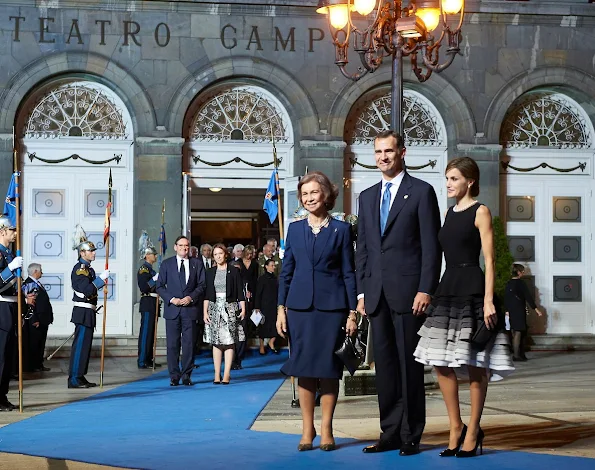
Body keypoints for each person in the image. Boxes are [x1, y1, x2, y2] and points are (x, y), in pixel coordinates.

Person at [414, 157, 514, 458]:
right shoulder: (449, 212)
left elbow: (490, 259)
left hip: (472, 287)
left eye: (454, 178)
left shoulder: (480, 210)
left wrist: (487, 300)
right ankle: (455, 426)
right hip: (448, 288)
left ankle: (473, 430)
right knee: (440, 361)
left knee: (474, 363)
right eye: (446, 178)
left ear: (470, 181)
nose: (448, 184)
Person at [355, 130, 442, 455]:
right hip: (376, 296)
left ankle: (410, 435)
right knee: (386, 369)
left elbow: (431, 248)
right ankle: (389, 432)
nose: (383, 157)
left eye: (388, 151)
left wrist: (425, 289)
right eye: (378, 152)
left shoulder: (421, 192)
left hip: (409, 295)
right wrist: (362, 293)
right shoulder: (366, 196)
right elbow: (362, 250)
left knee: (409, 367)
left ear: (401, 152)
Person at [277, 171, 357, 452]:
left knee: (328, 370)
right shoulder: (295, 229)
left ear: (326, 195)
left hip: (332, 309)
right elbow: (286, 273)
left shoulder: (342, 230)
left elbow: (349, 273)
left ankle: (326, 429)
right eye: (305, 194)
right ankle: (306, 428)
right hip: (299, 309)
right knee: (304, 370)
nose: (309, 198)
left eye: (314, 192)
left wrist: (352, 313)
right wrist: (280, 309)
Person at [156, 236, 206, 386]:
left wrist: (191, 297)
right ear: (175, 247)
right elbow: (159, 286)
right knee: (172, 344)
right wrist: (171, 299)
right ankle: (174, 375)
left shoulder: (197, 264)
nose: (184, 248)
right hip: (173, 310)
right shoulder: (167, 264)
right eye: (181, 245)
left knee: (189, 344)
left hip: (190, 310)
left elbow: (202, 285)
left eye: (187, 246)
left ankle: (186, 375)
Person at [68, 225, 110, 389]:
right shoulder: (80, 269)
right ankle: (74, 378)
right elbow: (86, 289)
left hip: (88, 311)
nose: (94, 253)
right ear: (82, 253)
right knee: (80, 346)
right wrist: (100, 280)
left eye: (93, 250)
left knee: (85, 346)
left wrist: (100, 283)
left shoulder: (88, 269)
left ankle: (80, 375)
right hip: (83, 311)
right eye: (90, 251)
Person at [203, 244, 246, 384]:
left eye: (220, 253)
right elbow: (207, 294)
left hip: (230, 308)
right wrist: (205, 312)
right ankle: (217, 374)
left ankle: (227, 374)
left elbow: (240, 292)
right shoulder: (210, 272)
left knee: (229, 341)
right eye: (215, 254)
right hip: (214, 308)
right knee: (216, 342)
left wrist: (243, 308)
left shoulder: (233, 271)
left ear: (225, 254)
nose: (218, 256)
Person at [0, 216, 26, 410]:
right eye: (12, 230)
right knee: (0, 355)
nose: (15, 234)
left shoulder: (8, 254)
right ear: (2, 232)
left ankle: (3, 395)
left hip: (12, 306)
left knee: (8, 356)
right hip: (1, 307)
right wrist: (10, 269)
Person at [505, 263, 543, 361]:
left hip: (512, 310)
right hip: (518, 309)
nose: (523, 273)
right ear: (518, 272)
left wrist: (507, 310)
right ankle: (517, 355)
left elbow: (506, 298)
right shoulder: (521, 283)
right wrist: (536, 309)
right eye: (522, 271)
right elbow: (528, 297)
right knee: (519, 332)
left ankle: (520, 354)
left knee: (516, 331)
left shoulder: (509, 283)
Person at [136, 231, 161, 369]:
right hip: (147, 302)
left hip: (154, 303)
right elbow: (145, 287)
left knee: (151, 333)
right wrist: (154, 280)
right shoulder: (144, 270)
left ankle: (148, 358)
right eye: (153, 254)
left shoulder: (151, 270)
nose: (156, 256)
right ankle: (142, 360)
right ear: (147, 256)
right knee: (146, 333)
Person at [23, 263, 53, 373]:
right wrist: (34, 319)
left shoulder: (36, 283)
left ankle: (38, 364)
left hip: (43, 319)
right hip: (36, 319)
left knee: (40, 343)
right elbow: (30, 304)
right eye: (40, 270)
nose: (42, 272)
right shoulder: (29, 284)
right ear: (35, 271)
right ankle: (32, 365)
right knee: (34, 343)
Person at [233, 244, 258, 369]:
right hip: (232, 305)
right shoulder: (236, 266)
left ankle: (239, 359)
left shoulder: (254, 265)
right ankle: (232, 358)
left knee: (243, 331)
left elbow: (255, 280)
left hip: (246, 303)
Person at [254, 259, 279, 354]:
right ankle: (261, 347)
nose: (274, 267)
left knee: (274, 325)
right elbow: (258, 294)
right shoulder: (262, 278)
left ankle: (271, 342)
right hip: (263, 306)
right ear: (266, 266)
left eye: (274, 265)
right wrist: (257, 307)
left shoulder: (275, 278)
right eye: (272, 265)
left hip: (273, 306)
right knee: (262, 327)